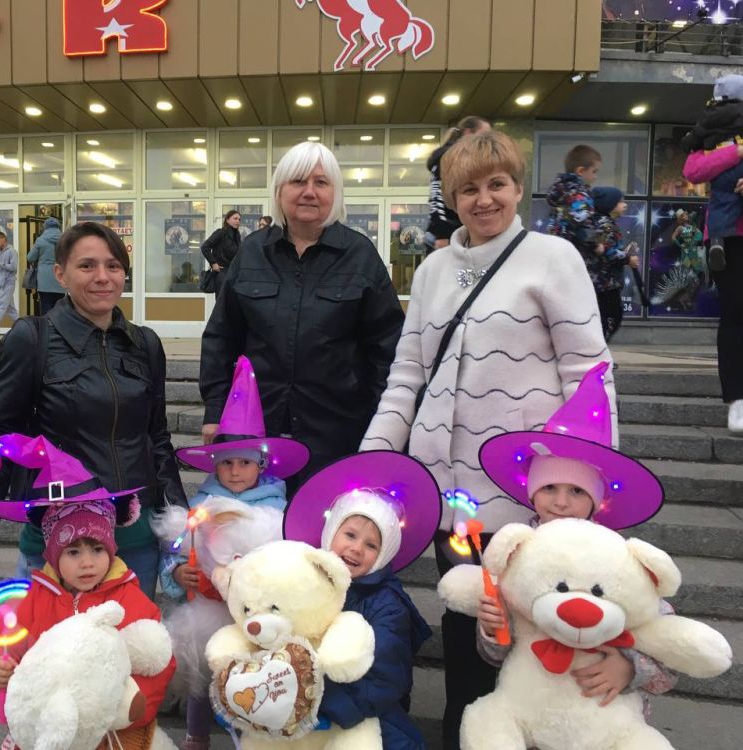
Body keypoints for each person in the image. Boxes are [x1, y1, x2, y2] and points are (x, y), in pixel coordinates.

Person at [359, 131, 616, 750]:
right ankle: (464, 734)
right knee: (465, 627)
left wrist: (595, 481)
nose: (484, 199)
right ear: (452, 198)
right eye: (468, 188)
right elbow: (407, 374)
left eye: (496, 184)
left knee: (535, 634)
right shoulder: (432, 271)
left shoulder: (553, 258)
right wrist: (372, 460)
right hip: (451, 498)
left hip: (528, 494)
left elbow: (588, 372)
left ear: (518, 187)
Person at [0, 222, 187, 598]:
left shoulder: (145, 344)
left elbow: (156, 438)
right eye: (87, 266)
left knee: (134, 635)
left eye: (113, 266)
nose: (102, 277)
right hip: (59, 541)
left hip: (135, 540)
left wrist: (178, 516)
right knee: (53, 637)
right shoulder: (32, 338)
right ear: (60, 274)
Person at [200, 141, 404, 489]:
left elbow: (387, 350)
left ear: (334, 193)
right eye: (298, 181)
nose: (309, 192)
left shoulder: (360, 256)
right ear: (280, 191)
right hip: (256, 436)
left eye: (321, 182)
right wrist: (215, 411)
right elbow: (222, 337)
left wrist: (383, 425)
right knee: (260, 520)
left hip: (338, 434)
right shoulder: (252, 252)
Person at [476, 362, 675, 715]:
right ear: (532, 491)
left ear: (597, 499)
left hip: (601, 712)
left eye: (577, 491)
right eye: (549, 487)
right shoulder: (517, 555)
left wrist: (630, 667)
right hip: (535, 707)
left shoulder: (618, 557)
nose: (561, 502)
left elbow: (668, 647)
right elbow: (495, 655)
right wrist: (492, 630)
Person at [0, 438, 175, 750]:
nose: (87, 563)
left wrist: (130, 708)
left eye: (97, 549)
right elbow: (0, 642)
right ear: (53, 556)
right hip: (49, 727)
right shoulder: (33, 601)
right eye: (73, 552)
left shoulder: (130, 600)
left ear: (112, 549)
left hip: (109, 729)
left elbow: (158, 662)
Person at [153, 355, 308, 750]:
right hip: (207, 608)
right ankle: (197, 733)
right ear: (215, 466)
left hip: (253, 614)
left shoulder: (277, 509)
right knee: (202, 672)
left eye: (244, 463)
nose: (235, 471)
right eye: (226, 463)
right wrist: (177, 573)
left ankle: (250, 736)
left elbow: (286, 558)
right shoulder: (201, 505)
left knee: (252, 677)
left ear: (261, 465)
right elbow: (177, 547)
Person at [283, 451, 440, 750]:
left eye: (371, 545)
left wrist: (321, 704)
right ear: (331, 532)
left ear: (383, 555)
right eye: (350, 535)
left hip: (366, 715)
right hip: (302, 709)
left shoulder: (388, 605)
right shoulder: (306, 582)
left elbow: (385, 678)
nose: (356, 549)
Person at [682, 129, 743, 434]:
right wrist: (737, 152)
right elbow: (694, 171)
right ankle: (738, 399)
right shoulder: (716, 131)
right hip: (729, 238)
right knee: (735, 312)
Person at [681, 73, 743, 267]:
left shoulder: (709, 122)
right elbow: (692, 171)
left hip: (724, 232)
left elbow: (693, 142)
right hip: (735, 238)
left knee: (721, 200)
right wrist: (737, 152)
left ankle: (717, 242)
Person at [425, 116, 492, 253]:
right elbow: (437, 197)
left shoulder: (467, 160)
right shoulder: (447, 159)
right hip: (447, 236)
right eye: (483, 135)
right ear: (468, 133)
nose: (486, 141)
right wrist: (442, 234)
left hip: (460, 233)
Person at [589, 186, 640, 341]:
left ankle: (597, 349)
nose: (625, 205)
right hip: (605, 283)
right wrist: (627, 259)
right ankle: (597, 349)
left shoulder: (601, 222)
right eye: (620, 202)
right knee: (612, 317)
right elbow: (606, 252)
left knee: (605, 318)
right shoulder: (606, 225)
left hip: (602, 282)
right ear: (609, 205)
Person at [545, 144, 605, 259]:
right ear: (581, 171)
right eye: (594, 171)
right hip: (575, 251)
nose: (595, 177)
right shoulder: (579, 194)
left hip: (556, 246)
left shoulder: (561, 191)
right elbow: (582, 223)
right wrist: (596, 245)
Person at [26, 216, 65, 315]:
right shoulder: (64, 240)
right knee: (59, 309)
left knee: (46, 309)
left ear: (45, 227)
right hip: (60, 278)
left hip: (44, 281)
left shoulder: (40, 240)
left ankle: (47, 325)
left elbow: (30, 257)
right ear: (58, 227)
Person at [200, 209, 241, 296]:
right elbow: (205, 247)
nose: (238, 221)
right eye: (235, 218)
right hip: (222, 274)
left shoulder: (237, 236)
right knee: (222, 301)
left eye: (239, 219)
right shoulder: (221, 233)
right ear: (227, 220)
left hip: (234, 274)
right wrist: (213, 263)